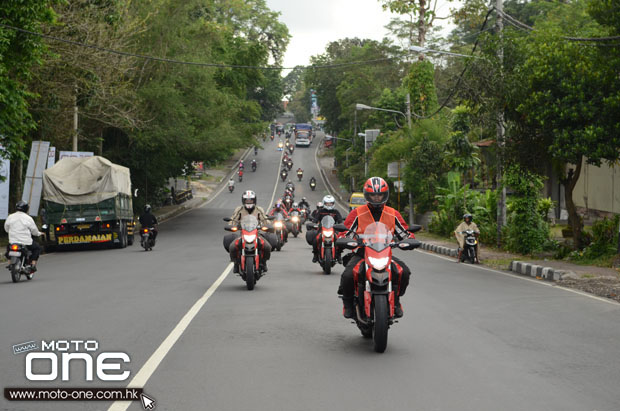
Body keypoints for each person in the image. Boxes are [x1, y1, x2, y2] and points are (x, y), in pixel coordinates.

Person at [338, 177, 413, 319]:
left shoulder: (393, 213)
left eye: (379, 194)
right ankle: (347, 303)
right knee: (347, 275)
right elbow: (346, 232)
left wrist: (409, 240)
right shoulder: (357, 213)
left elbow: (404, 232)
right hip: (362, 252)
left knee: (404, 272)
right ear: (367, 195)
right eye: (373, 195)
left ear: (385, 195)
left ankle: (396, 301)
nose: (377, 198)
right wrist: (345, 239)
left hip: (385, 252)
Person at [227, 191, 271, 273]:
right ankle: (236, 264)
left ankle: (264, 263)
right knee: (232, 247)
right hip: (243, 234)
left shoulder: (259, 209)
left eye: (251, 200)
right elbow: (233, 220)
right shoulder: (239, 209)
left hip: (256, 233)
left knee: (267, 246)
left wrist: (268, 226)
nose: (249, 202)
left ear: (254, 201)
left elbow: (265, 220)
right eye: (247, 201)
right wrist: (232, 225)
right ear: (243, 201)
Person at [4, 201, 43, 272]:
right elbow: (34, 231)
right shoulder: (28, 218)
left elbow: (6, 228)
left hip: (13, 242)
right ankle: (33, 265)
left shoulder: (10, 217)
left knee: (8, 249)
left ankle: (9, 263)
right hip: (26, 242)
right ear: (26, 209)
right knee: (37, 248)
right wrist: (39, 233)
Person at [310, 195, 344, 263]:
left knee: (340, 240)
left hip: (333, 230)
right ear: (324, 203)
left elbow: (340, 221)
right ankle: (315, 255)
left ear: (333, 203)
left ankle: (339, 255)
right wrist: (314, 223)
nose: (329, 205)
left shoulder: (336, 212)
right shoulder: (320, 211)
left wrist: (341, 224)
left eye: (330, 203)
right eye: (327, 203)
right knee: (315, 240)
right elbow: (315, 220)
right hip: (322, 229)